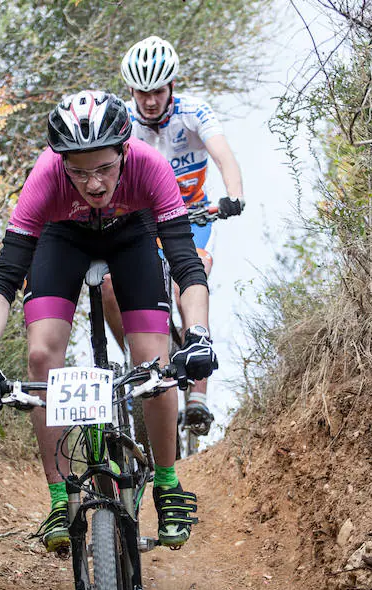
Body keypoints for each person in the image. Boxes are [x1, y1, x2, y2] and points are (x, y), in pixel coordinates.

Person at [0, 90, 218, 553]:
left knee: (154, 364)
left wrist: (197, 335)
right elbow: (3, 279)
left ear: (124, 150)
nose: (94, 184)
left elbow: (186, 264)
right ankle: (60, 497)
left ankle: (167, 483)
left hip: (132, 235)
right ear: (61, 164)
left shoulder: (149, 167)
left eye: (104, 168)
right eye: (79, 172)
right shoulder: (45, 178)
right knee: (42, 356)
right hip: (64, 237)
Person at [102, 35, 244, 436]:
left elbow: (223, 155)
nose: (150, 100)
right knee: (111, 287)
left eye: (158, 91)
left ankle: (197, 394)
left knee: (190, 283)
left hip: (192, 218)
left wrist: (234, 194)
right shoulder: (121, 122)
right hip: (145, 224)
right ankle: (135, 360)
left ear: (172, 88)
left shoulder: (193, 112)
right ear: (131, 91)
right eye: (142, 92)